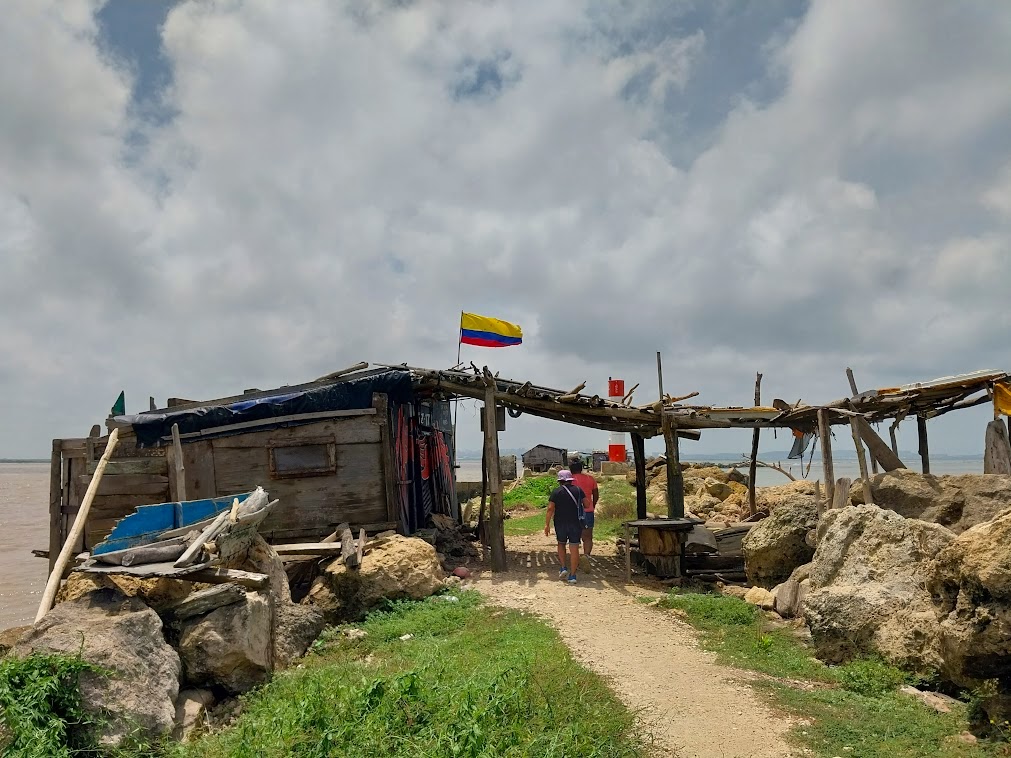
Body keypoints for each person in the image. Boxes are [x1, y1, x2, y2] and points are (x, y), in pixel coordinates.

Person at [544, 469, 584, 584]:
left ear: (560, 480)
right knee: (574, 547)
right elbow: (587, 504)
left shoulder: (556, 492)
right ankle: (573, 575)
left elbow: (550, 508)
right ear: (571, 480)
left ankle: (563, 567)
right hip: (575, 523)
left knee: (561, 544)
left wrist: (547, 524)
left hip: (560, 522)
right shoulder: (578, 490)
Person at [570, 458, 599, 557]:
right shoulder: (590, 479)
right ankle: (586, 556)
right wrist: (593, 505)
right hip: (588, 510)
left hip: (573, 512)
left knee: (574, 536)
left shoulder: (569, 481)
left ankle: (575, 556)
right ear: (581, 468)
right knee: (587, 536)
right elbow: (596, 494)